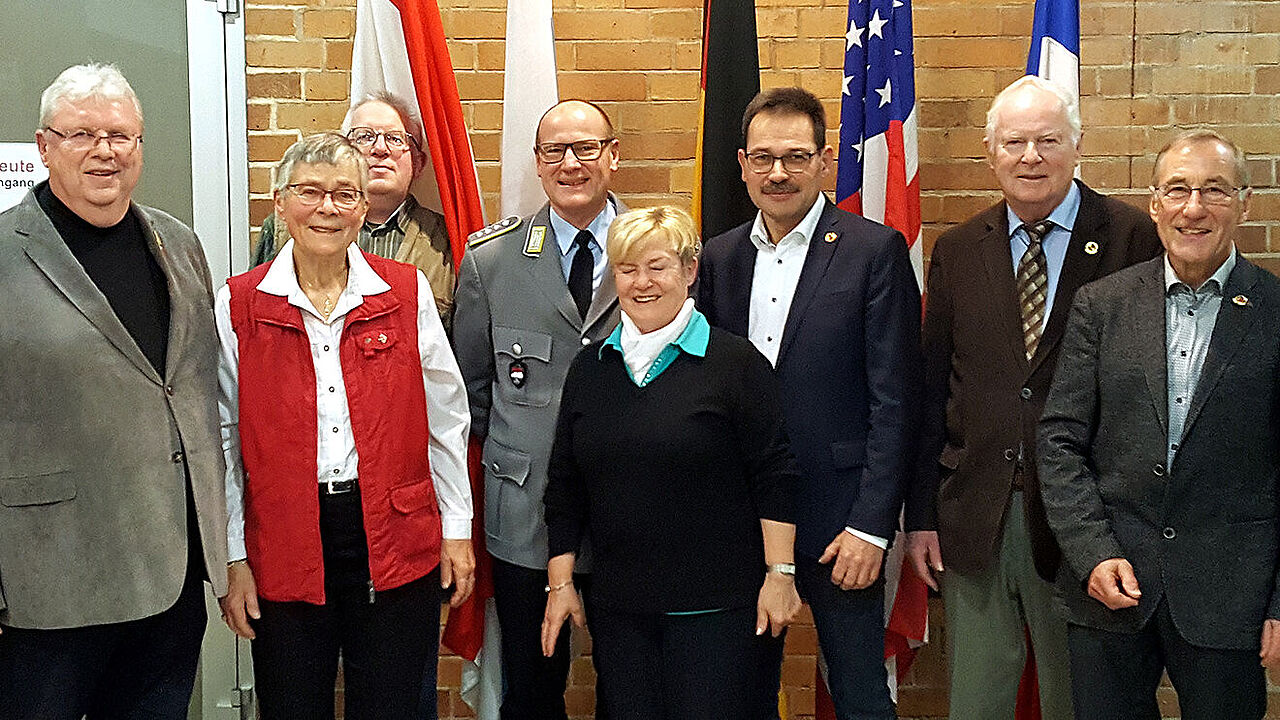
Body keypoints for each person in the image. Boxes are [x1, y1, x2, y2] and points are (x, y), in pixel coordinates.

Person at [901, 76, 1161, 718]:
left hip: (1088, 522)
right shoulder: (959, 249)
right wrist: (923, 515)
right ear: (991, 154)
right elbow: (934, 388)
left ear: (1077, 148)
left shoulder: (1131, 238)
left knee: (1082, 701)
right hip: (976, 516)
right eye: (1014, 142)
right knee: (977, 702)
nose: (1030, 157)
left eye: (1048, 140)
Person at [215, 133, 474, 720]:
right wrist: (232, 556)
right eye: (310, 192)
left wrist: (456, 527)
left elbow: (446, 415)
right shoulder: (238, 304)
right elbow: (224, 436)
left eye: (344, 194)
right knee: (291, 705)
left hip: (394, 534)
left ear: (363, 207)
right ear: (280, 204)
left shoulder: (405, 293)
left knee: (394, 706)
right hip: (282, 539)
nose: (327, 208)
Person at [0, 63, 228, 718]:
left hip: (170, 577)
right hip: (46, 586)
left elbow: (189, 396)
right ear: (44, 147)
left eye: (121, 135)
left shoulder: (179, 243)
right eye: (82, 135)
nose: (105, 151)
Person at [1039, 130, 1280, 719]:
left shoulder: (1275, 312)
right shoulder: (1102, 304)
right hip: (1110, 586)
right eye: (1177, 190)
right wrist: (1093, 552)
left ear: (1245, 203)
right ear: (1154, 204)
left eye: (1214, 191)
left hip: (1232, 597)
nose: (1193, 208)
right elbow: (1059, 439)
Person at [697, 87, 921, 719]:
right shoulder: (718, 258)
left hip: (840, 524)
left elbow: (896, 402)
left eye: (795, 157)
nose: (778, 173)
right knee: (743, 691)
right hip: (743, 519)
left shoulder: (873, 251)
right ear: (740, 164)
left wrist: (873, 526)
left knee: (858, 692)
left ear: (824, 161)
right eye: (763, 157)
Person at [541, 206, 802, 719]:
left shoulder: (735, 363)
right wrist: (561, 583)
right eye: (627, 269)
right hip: (620, 612)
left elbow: (776, 474)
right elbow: (564, 485)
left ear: (689, 271)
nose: (642, 283)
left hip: (719, 612)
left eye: (657, 267)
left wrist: (781, 574)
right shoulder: (591, 368)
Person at [452, 99, 624, 719]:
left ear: (613, 155)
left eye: (585, 148)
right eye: (555, 150)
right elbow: (469, 393)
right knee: (531, 688)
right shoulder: (491, 261)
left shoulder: (657, 252)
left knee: (632, 688)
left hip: (625, 510)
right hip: (523, 515)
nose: (571, 163)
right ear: (537, 162)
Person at [253, 92, 456, 327]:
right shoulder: (285, 229)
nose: (380, 149)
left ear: (419, 163)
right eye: (364, 137)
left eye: (395, 139)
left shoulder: (447, 240)